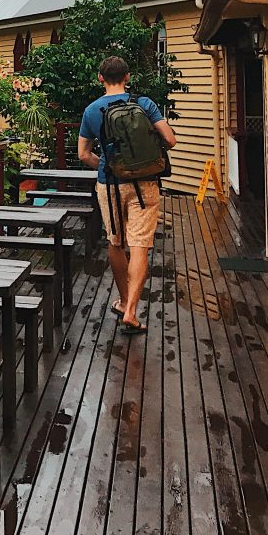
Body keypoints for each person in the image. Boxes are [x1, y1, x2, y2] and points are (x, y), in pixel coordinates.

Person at [76, 56, 176, 334]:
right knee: (141, 245)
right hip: (145, 183)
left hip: (109, 184)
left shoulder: (92, 110)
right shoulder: (144, 104)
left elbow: (83, 154)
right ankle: (131, 309)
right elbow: (170, 139)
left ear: (100, 78)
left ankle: (122, 300)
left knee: (116, 242)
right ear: (128, 77)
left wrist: (108, 165)